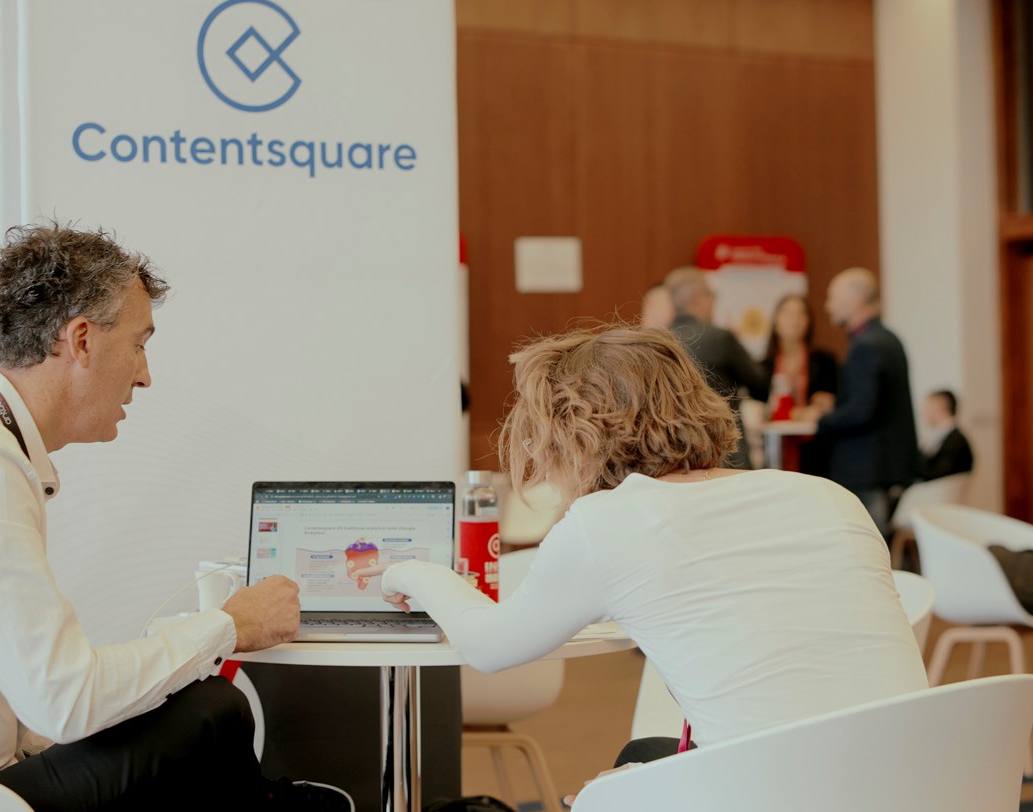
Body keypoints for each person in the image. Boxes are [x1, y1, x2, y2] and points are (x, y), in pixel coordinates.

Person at [0, 224, 351, 811]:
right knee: (213, 711)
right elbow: (64, 700)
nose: (145, 374)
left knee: (205, 715)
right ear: (81, 340)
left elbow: (43, 692)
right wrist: (229, 625)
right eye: (138, 344)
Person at [358, 324, 925, 792]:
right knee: (643, 754)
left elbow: (488, 646)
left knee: (616, 781)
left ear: (570, 434)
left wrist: (412, 572)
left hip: (772, 790)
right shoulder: (826, 495)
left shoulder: (609, 521)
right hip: (923, 781)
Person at [805, 268, 921, 531]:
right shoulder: (887, 339)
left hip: (866, 469)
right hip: (885, 466)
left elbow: (861, 412)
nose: (827, 306)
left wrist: (820, 419)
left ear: (855, 300)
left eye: (832, 298)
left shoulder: (865, 346)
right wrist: (837, 405)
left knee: (868, 542)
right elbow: (879, 403)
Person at [665, 267, 768, 467]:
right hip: (725, 453)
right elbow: (761, 386)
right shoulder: (721, 338)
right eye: (711, 294)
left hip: (677, 457)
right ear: (699, 298)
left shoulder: (658, 342)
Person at [761, 294, 838, 475]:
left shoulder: (824, 361)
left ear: (809, 321)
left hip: (816, 451)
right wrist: (800, 413)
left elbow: (835, 401)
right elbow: (761, 408)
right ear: (776, 320)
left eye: (800, 314)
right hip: (774, 450)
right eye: (787, 313)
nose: (794, 320)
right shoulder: (763, 366)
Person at [920, 389, 973, 481]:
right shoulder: (943, 436)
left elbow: (937, 473)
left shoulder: (955, 440)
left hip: (938, 487)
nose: (923, 413)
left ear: (939, 407)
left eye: (928, 407)